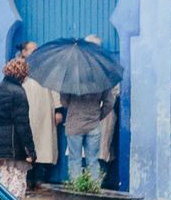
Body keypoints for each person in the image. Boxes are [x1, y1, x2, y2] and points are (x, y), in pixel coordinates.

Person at [60, 36, 120, 187]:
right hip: (94, 124)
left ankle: (77, 189)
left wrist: (73, 105)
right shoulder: (102, 73)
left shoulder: (72, 73)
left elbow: (64, 101)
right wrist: (99, 115)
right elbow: (110, 101)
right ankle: (94, 190)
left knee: (75, 159)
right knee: (93, 160)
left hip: (74, 125)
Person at [0, 57, 33, 195]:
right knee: (18, 181)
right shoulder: (19, 93)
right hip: (14, 145)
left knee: (4, 179)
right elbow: (22, 124)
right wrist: (30, 151)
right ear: (23, 74)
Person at [21, 42, 60, 191]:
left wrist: (58, 110)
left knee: (44, 144)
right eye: (33, 50)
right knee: (27, 146)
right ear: (24, 52)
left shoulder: (46, 66)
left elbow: (54, 88)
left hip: (44, 111)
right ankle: (27, 180)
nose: (37, 52)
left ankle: (39, 179)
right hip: (26, 112)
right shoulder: (19, 67)